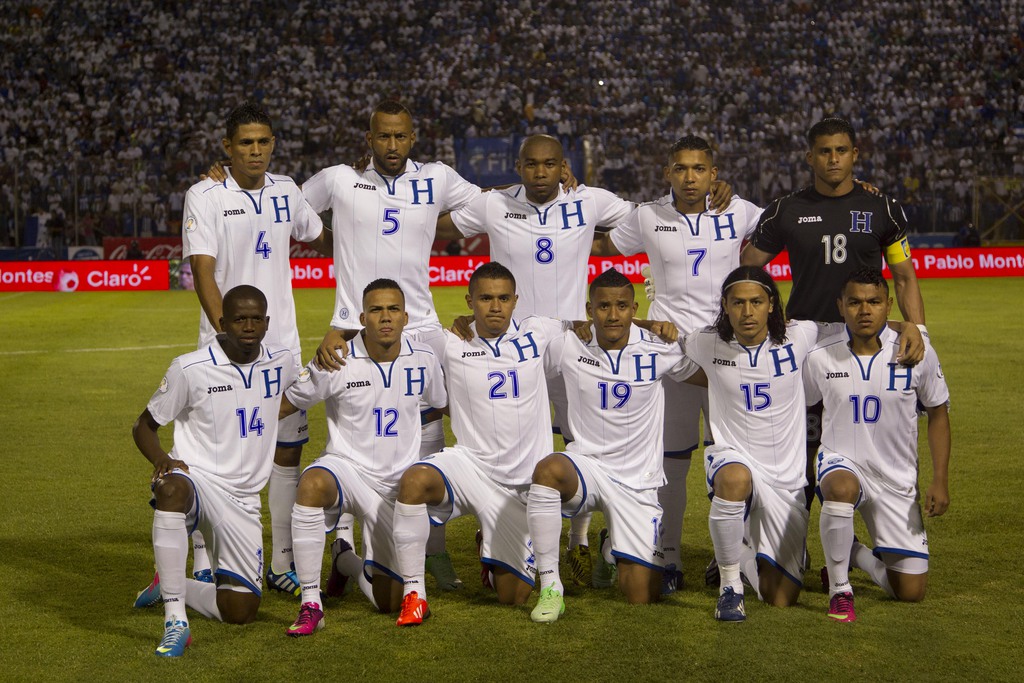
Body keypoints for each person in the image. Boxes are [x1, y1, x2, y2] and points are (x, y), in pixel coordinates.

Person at [438, 133, 733, 587]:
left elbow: (651, 215)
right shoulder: (493, 204)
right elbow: (431, 225)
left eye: (551, 164)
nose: (541, 172)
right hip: (514, 346)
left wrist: (713, 191)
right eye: (532, 164)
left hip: (575, 342)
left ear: (564, 166)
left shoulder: (590, 201)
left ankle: (581, 538)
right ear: (518, 166)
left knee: (585, 440)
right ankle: (504, 536)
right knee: (517, 444)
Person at [307, 100, 485, 589]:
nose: (391, 145)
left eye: (400, 136)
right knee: (353, 425)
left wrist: (435, 228)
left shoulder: (437, 178)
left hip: (421, 324)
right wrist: (333, 240)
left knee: (431, 428)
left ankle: (435, 548)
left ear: (413, 137)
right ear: (370, 139)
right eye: (383, 136)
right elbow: (288, 210)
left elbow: (487, 206)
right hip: (351, 325)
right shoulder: (340, 179)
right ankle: (343, 537)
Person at [682, 266, 922, 621]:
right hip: (734, 460)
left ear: (772, 305)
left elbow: (860, 321)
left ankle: (737, 553)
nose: (747, 312)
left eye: (756, 302)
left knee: (780, 597)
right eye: (738, 303)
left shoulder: (802, 335)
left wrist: (908, 325)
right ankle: (729, 587)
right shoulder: (705, 341)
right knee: (733, 479)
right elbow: (662, 341)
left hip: (786, 480)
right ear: (725, 305)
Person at [593, 134, 762, 593]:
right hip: (670, 359)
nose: (690, 178)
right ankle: (666, 555)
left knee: (736, 459)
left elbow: (788, 225)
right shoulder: (646, 216)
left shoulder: (740, 210)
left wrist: (855, 190)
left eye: (699, 169)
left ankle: (735, 552)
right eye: (681, 169)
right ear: (667, 173)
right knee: (671, 461)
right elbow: (606, 247)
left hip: (728, 356)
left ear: (714, 173)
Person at [740, 116, 927, 522]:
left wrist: (918, 328)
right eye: (824, 151)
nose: (833, 159)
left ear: (855, 154)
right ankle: (790, 544)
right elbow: (749, 266)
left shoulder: (882, 207)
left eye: (841, 150)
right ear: (810, 157)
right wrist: (768, 314)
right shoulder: (787, 210)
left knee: (865, 439)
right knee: (800, 446)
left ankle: (866, 541)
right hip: (806, 342)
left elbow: (905, 276)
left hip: (863, 342)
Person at [179, 102, 331, 596]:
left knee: (287, 451)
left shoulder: (287, 190)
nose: (256, 150)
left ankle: (282, 558)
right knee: (215, 455)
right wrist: (226, 332)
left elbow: (317, 232)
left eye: (264, 141)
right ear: (227, 147)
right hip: (224, 346)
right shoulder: (204, 194)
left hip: (281, 346)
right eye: (245, 142)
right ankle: (204, 557)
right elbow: (203, 269)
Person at [391, 262, 572, 625]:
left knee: (512, 597)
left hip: (523, 484)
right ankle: (415, 594)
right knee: (414, 482)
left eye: (503, 298)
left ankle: (495, 547)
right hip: (471, 467)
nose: (495, 307)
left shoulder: (539, 332)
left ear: (515, 300)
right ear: (469, 300)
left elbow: (597, 327)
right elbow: (385, 337)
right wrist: (336, 338)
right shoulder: (449, 340)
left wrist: (652, 325)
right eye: (485, 298)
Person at [131, 285, 298, 657]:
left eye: (256, 318)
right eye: (240, 319)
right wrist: (162, 460)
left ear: (268, 323)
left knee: (239, 611)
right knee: (171, 491)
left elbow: (307, 390)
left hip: (243, 499)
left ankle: (175, 585)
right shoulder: (189, 368)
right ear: (222, 323)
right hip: (198, 478)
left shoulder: (282, 361)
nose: (249, 326)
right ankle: (176, 621)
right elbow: (143, 426)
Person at [526, 268, 698, 622]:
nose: (613, 314)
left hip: (638, 483)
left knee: (641, 596)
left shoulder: (660, 350)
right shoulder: (568, 344)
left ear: (635, 308)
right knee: (547, 472)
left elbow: (711, 373)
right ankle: (550, 586)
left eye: (622, 306)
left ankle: (609, 545)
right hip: (588, 467)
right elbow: (522, 349)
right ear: (589, 310)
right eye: (603, 306)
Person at [281, 279, 447, 636]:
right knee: (311, 484)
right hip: (346, 468)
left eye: (392, 309)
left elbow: (440, 403)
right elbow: (290, 401)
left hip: (396, 487)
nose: (384, 317)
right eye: (375, 310)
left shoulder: (425, 358)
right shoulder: (335, 359)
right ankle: (311, 604)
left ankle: (345, 561)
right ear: (362, 318)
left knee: (386, 601)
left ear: (405, 316)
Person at [804, 268, 950, 622]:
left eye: (873, 302)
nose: (863, 310)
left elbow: (938, 414)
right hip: (842, 461)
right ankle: (840, 591)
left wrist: (940, 480)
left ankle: (853, 552)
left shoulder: (916, 351)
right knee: (840, 488)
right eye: (854, 302)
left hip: (895, 480)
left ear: (888, 305)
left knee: (910, 592)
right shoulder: (819, 356)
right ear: (840, 306)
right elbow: (800, 414)